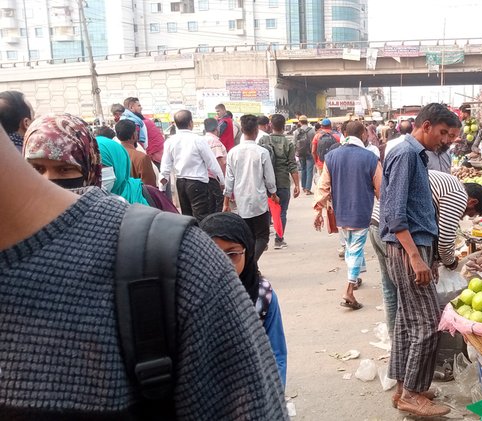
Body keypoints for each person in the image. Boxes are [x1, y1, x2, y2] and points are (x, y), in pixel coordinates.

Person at [1, 125, 288, 419]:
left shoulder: (173, 254)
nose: (51, 180)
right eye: (36, 168)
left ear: (92, 165)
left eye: (64, 169)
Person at [379, 103, 459, 417]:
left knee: (406, 322)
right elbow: (395, 215)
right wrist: (416, 257)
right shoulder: (407, 154)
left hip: (412, 246)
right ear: (425, 126)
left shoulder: (414, 155)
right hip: (406, 248)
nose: (446, 141)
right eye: (443, 133)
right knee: (427, 322)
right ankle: (412, 393)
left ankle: (405, 388)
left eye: (451, 136)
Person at [371, 173, 482, 337]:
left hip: (377, 224)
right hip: (395, 232)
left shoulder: (450, 185)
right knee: (411, 291)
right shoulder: (458, 196)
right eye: (469, 213)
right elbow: (445, 240)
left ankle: (396, 340)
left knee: (391, 288)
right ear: (472, 202)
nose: (463, 217)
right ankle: (411, 339)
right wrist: (450, 263)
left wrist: (435, 259)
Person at [200, 212, 288, 388]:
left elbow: (276, 354)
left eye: (232, 254)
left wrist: (272, 397)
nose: (223, 264)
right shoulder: (189, 295)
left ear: (247, 252)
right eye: (213, 254)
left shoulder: (263, 296)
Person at [314, 121, 382, 310]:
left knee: (351, 246)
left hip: (341, 211)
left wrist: (318, 210)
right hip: (361, 211)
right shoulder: (370, 158)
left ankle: (356, 278)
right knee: (355, 249)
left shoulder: (332, 156)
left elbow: (323, 185)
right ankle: (348, 291)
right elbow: (381, 189)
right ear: (363, 135)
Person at [223, 114, 279, 264]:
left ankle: (249, 265)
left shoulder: (233, 152)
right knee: (262, 236)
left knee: (248, 236)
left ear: (242, 129)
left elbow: (229, 178)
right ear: (256, 130)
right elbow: (269, 177)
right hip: (259, 199)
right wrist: (273, 193)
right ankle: (251, 265)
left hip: (241, 200)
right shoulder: (262, 152)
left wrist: (226, 202)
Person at [160, 110, 225, 221]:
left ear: (175, 124)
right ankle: (202, 238)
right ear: (191, 123)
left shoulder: (170, 141)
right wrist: (222, 182)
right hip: (197, 182)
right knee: (201, 217)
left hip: (180, 182)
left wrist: (162, 188)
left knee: (186, 218)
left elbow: (165, 167)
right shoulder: (198, 140)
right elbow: (212, 163)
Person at [97, 132, 178, 212]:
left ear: (118, 162)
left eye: (103, 166)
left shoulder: (147, 194)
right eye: (94, 168)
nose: (98, 173)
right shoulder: (86, 205)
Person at [260, 114, 301, 250]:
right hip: (283, 181)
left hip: (265, 183)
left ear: (270, 125)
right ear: (283, 126)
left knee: (266, 212)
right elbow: (292, 165)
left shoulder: (263, 140)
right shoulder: (288, 143)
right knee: (282, 212)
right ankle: (279, 240)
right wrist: (297, 185)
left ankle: (263, 241)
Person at [115, 119, 157, 187]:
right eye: (136, 132)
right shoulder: (142, 158)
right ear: (133, 136)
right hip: (137, 196)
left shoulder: (113, 155)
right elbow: (150, 187)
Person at [124, 97, 164, 167]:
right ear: (131, 108)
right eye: (139, 106)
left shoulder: (139, 120)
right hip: (152, 158)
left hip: (156, 156)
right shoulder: (134, 122)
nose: (141, 108)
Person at [203, 118, 228, 213]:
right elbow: (220, 161)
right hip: (215, 178)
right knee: (219, 203)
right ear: (216, 128)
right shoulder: (214, 141)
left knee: (210, 204)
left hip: (206, 177)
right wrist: (224, 180)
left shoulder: (203, 140)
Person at [294, 115, 316, 195]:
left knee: (303, 169)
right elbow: (314, 142)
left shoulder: (296, 131)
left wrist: (296, 152)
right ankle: (308, 189)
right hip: (310, 152)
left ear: (300, 122)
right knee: (309, 170)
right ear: (307, 121)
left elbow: (294, 143)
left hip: (300, 153)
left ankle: (303, 186)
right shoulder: (312, 131)